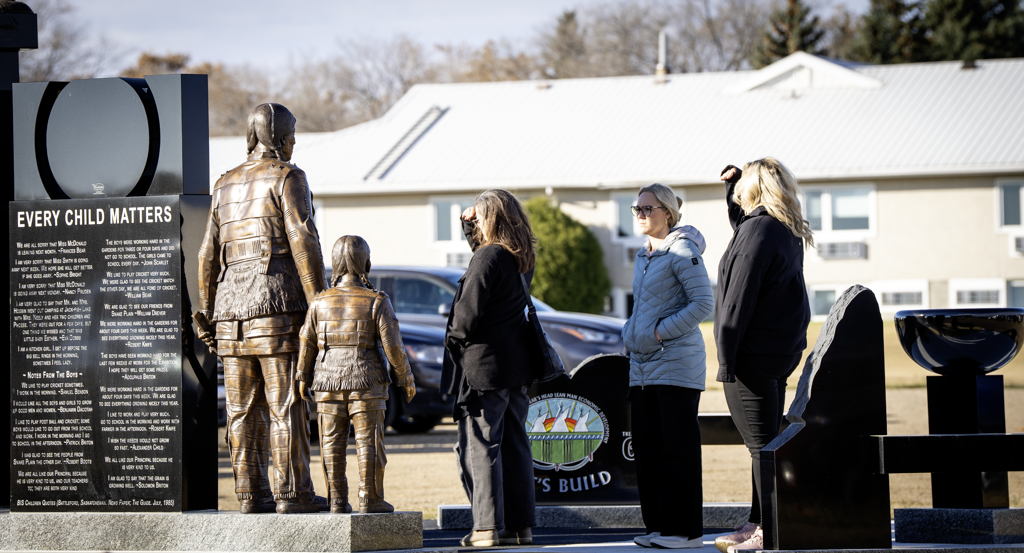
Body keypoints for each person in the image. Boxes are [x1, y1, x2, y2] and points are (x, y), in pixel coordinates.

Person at [195, 103, 326, 514]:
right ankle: (293, 494)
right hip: (278, 310)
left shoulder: (224, 184)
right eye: (292, 134)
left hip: (229, 315)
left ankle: (250, 494)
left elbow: (206, 254)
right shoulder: (289, 176)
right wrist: (319, 305)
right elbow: (303, 240)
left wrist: (207, 311)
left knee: (240, 411)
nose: (294, 141)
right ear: (282, 138)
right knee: (286, 405)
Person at [713, 158, 813, 553]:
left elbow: (736, 299)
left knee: (762, 448)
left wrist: (726, 360)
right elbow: (746, 231)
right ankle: (759, 522)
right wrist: (732, 190)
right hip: (777, 354)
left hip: (751, 357)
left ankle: (770, 528)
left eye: (742, 189)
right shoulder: (781, 228)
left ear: (753, 189)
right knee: (767, 444)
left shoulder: (759, 231)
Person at [440, 189, 538, 548]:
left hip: (484, 368)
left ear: (491, 219)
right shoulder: (520, 256)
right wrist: (470, 229)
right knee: (515, 445)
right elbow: (487, 264)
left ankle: (485, 528)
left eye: (480, 217)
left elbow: (465, 317)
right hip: (516, 365)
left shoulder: (488, 257)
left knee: (480, 447)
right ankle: (519, 528)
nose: (476, 222)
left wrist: (453, 341)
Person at [621, 183, 714, 549]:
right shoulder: (643, 255)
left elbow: (703, 304)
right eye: (637, 208)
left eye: (648, 208)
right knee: (648, 449)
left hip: (676, 365)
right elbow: (644, 307)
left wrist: (658, 332)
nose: (641, 214)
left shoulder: (682, 250)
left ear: (668, 213)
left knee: (677, 450)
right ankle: (660, 528)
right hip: (643, 367)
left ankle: (684, 532)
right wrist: (632, 331)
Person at [295, 235, 417, 514]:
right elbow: (393, 346)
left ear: (335, 264)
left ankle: (337, 500)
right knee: (369, 444)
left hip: (327, 383)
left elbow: (307, 340)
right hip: (368, 383)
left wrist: (303, 375)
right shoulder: (378, 301)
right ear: (367, 265)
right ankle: (370, 498)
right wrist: (406, 377)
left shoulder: (319, 302)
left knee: (330, 445)